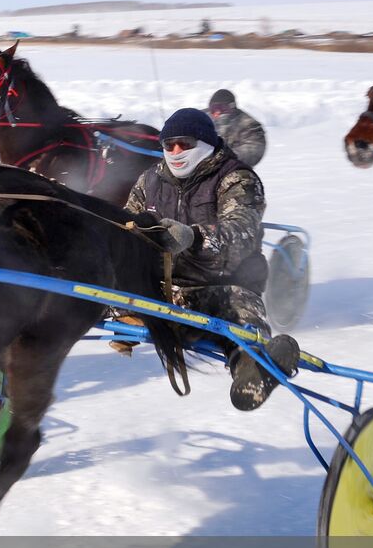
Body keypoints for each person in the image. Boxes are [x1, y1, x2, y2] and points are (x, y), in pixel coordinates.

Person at [125, 108, 298, 411]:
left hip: (222, 285)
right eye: (169, 145)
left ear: (204, 143)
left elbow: (242, 229)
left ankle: (254, 368)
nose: (176, 152)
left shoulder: (236, 177)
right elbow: (128, 222)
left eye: (185, 144)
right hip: (166, 291)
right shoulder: (149, 180)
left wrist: (192, 236)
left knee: (238, 312)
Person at [206, 88, 266, 167]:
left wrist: (221, 158)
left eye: (223, 108)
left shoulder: (248, 124)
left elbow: (254, 149)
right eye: (214, 109)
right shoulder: (201, 117)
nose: (218, 112)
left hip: (232, 170)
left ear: (232, 107)